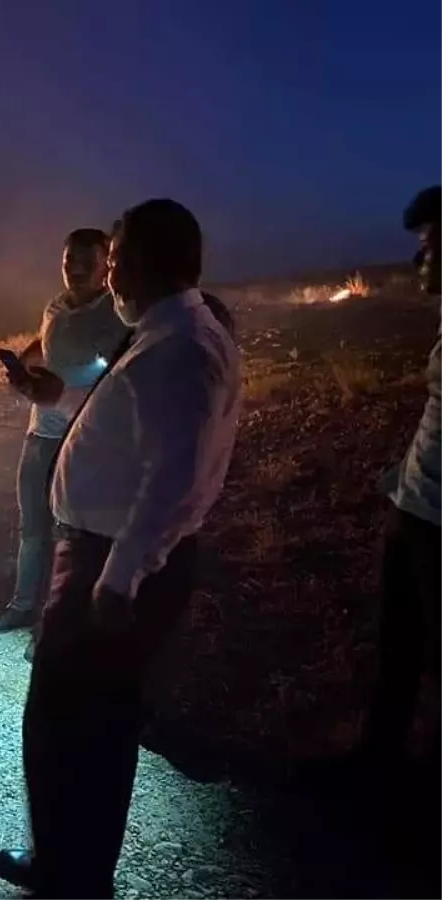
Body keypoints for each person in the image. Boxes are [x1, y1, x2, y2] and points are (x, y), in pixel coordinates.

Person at [0, 199, 242, 897]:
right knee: (96, 722)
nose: (108, 274)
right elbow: (123, 422)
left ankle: (68, 873)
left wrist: (118, 580)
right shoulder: (169, 330)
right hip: (109, 553)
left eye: (118, 257)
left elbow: (175, 477)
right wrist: (45, 392)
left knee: (63, 718)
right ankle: (77, 865)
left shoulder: (181, 348)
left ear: (144, 263)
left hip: (112, 560)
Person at [314, 186, 442, 828]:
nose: (422, 260)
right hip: (416, 510)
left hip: (438, 528)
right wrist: (402, 484)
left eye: (431, 245)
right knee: (398, 650)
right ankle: (377, 766)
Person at [0, 228, 127, 635]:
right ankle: (22, 608)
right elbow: (46, 343)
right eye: (68, 261)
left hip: (82, 440)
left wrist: (64, 392)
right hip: (41, 434)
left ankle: (56, 624)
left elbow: (118, 381)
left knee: (74, 535)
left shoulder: (115, 316)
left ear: (105, 267)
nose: (74, 270)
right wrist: (22, 368)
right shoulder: (56, 307)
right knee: (32, 527)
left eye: (85, 262)